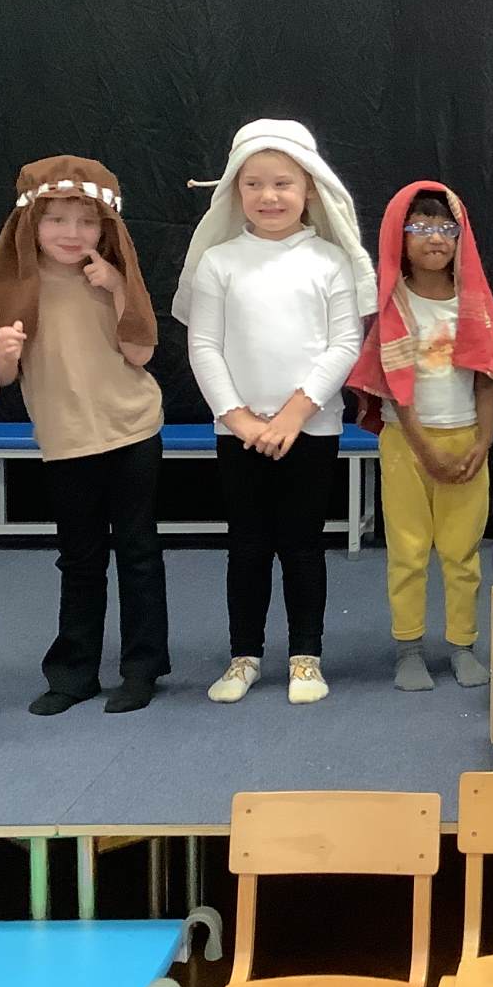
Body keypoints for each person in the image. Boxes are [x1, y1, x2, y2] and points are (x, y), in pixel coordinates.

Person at [178, 118, 375, 705]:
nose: (269, 196)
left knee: (302, 544)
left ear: (309, 188)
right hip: (238, 432)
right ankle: (244, 656)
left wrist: (293, 415)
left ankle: (306, 658)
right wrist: (238, 418)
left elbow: (345, 343)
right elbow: (204, 346)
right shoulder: (219, 262)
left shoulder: (329, 262)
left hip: (310, 430)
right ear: (234, 191)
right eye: (254, 184)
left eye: (282, 183)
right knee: (247, 545)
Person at [0, 156, 169, 715]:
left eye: (87, 221)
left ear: (106, 227)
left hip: (132, 429)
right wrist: (4, 356)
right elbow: (2, 378)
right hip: (66, 438)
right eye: (57, 219)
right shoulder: (18, 286)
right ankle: (73, 672)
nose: (72, 233)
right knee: (79, 558)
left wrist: (117, 289)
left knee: (138, 552)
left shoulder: (111, 277)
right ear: (30, 223)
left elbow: (141, 352)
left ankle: (141, 667)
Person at [346, 181, 493, 692]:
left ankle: (462, 645)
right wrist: (424, 447)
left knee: (463, 553)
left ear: (462, 238)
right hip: (406, 445)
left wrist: (483, 442)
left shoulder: (475, 304)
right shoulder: (394, 304)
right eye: (419, 226)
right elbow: (394, 390)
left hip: (466, 443)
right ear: (399, 236)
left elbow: (488, 378)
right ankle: (409, 648)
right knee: (408, 550)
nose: (434, 237)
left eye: (446, 227)